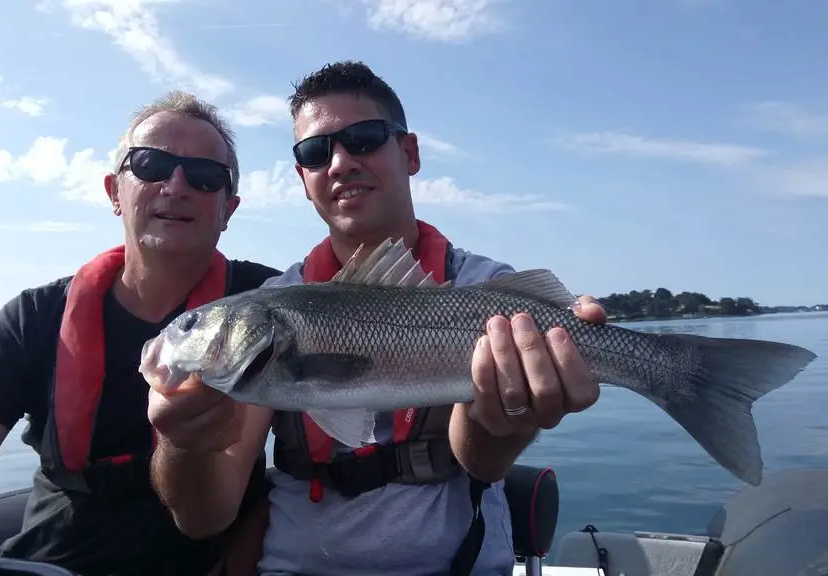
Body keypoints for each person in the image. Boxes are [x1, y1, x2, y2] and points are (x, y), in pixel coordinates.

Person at [147, 61, 608, 576]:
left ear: (409, 153)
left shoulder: (485, 290)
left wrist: (507, 416)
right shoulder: (277, 302)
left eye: (364, 139)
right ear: (303, 179)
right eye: (315, 152)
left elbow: (481, 463)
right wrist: (182, 445)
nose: (340, 163)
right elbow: (204, 519)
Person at [0, 90, 282, 576]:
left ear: (228, 209)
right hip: (55, 561)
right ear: (115, 191)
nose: (176, 186)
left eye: (204, 176)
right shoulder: (31, 319)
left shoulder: (267, 304)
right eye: (151, 165)